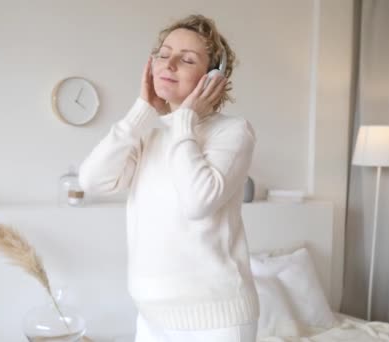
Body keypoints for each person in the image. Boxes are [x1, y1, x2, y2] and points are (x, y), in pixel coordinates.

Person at [78, 14, 259, 342]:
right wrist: (142, 110)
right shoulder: (148, 132)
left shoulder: (233, 132)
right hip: (151, 319)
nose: (169, 63)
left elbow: (197, 202)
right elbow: (93, 180)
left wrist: (185, 119)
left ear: (213, 78)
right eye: (163, 54)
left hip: (217, 323)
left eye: (187, 59)